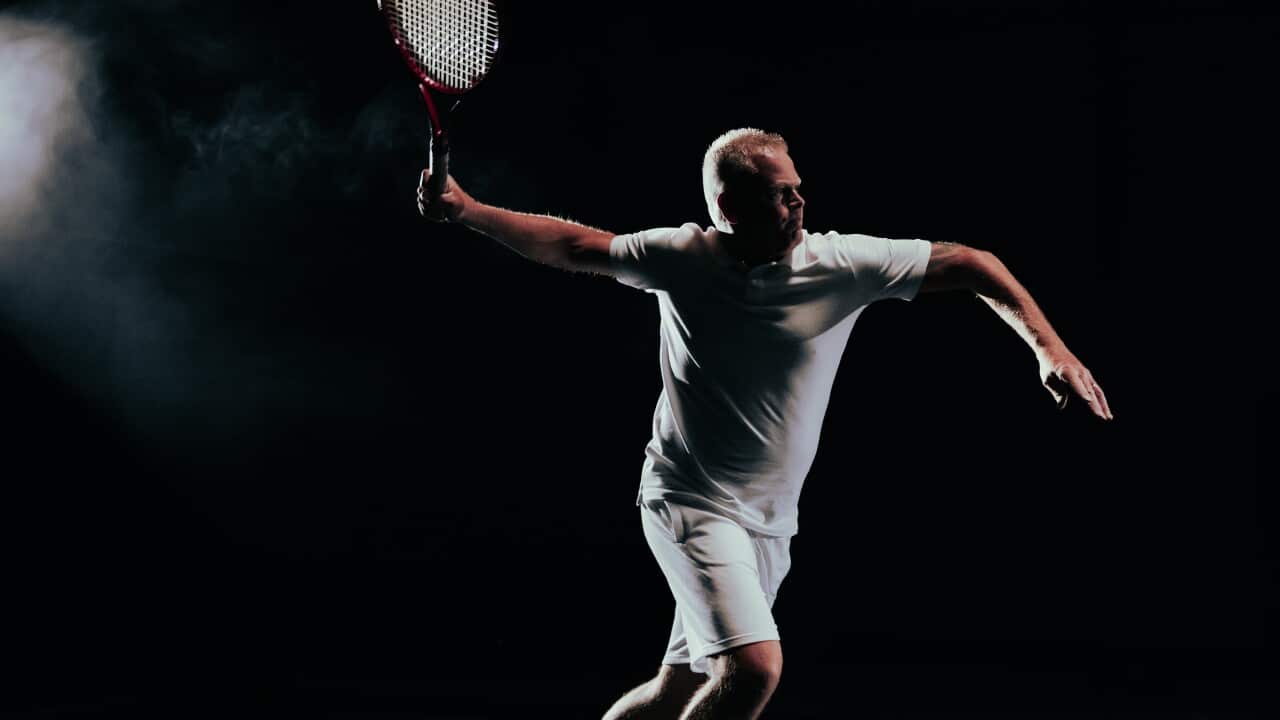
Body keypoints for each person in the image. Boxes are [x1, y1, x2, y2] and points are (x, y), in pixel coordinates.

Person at [417, 128, 1112, 720]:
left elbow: (972, 263)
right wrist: (470, 210)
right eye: (781, 195)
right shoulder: (681, 258)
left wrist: (1049, 349)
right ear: (729, 209)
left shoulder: (840, 264)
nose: (800, 203)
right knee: (752, 671)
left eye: (798, 188)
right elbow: (572, 245)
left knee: (676, 690)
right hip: (689, 501)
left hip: (771, 525)